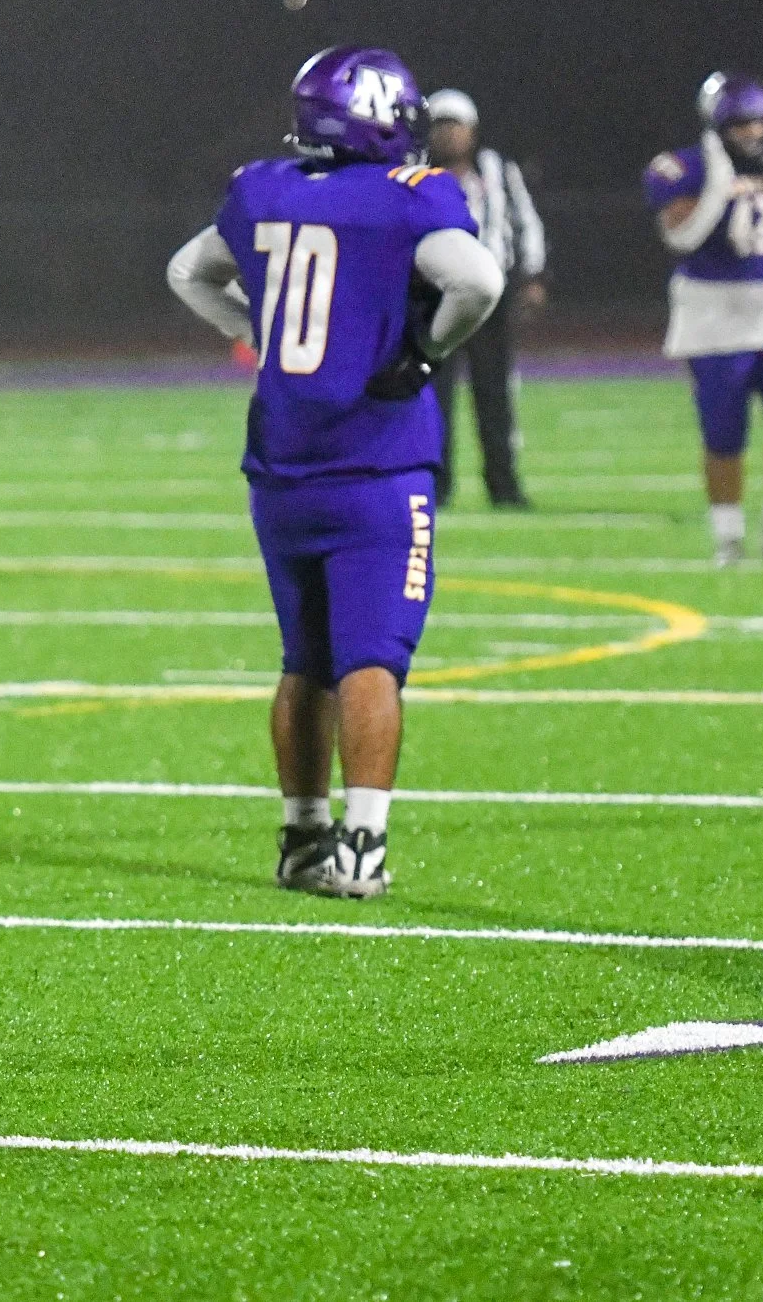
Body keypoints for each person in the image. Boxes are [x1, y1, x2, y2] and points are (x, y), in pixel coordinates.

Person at [166, 46, 502, 898]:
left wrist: (257, 330)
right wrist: (423, 352)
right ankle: (363, 847)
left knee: (304, 659)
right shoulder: (410, 194)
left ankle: (302, 837)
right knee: (372, 659)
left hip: (283, 464)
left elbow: (188, 273)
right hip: (377, 460)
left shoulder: (264, 189)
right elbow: (477, 282)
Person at [644, 73, 763, 565]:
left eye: (759, 121)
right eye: (741, 122)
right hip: (713, 311)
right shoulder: (682, 167)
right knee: (724, 433)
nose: (753, 131)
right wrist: (716, 185)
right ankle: (728, 537)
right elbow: (680, 238)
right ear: (718, 125)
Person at [423, 88, 546, 508]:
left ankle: (503, 485)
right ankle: (436, 486)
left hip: (490, 299)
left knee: (495, 395)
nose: (447, 134)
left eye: (454, 125)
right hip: (434, 298)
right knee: (432, 398)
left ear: (472, 131)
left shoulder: (498, 171)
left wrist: (532, 275)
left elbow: (525, 221)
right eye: (440, 126)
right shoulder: (416, 174)